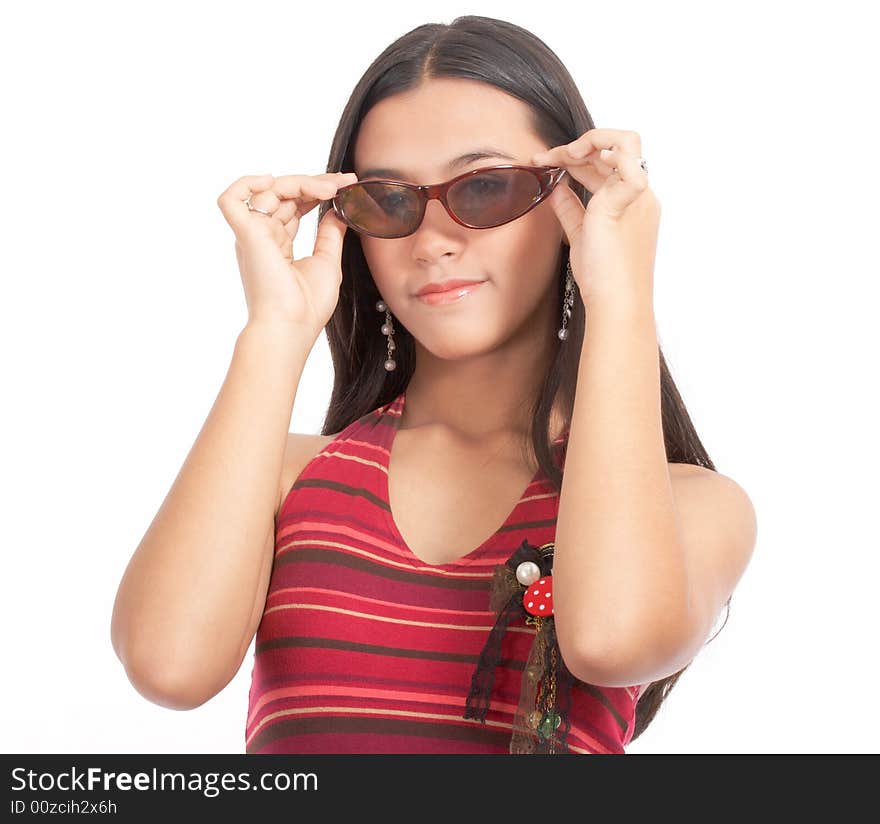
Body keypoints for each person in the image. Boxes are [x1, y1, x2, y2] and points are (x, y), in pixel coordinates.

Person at [110, 15, 757, 754]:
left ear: (571, 199)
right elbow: (167, 667)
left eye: (484, 187)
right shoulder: (289, 479)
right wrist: (275, 333)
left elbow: (613, 641)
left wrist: (621, 296)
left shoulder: (691, 508)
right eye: (390, 200)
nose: (433, 240)